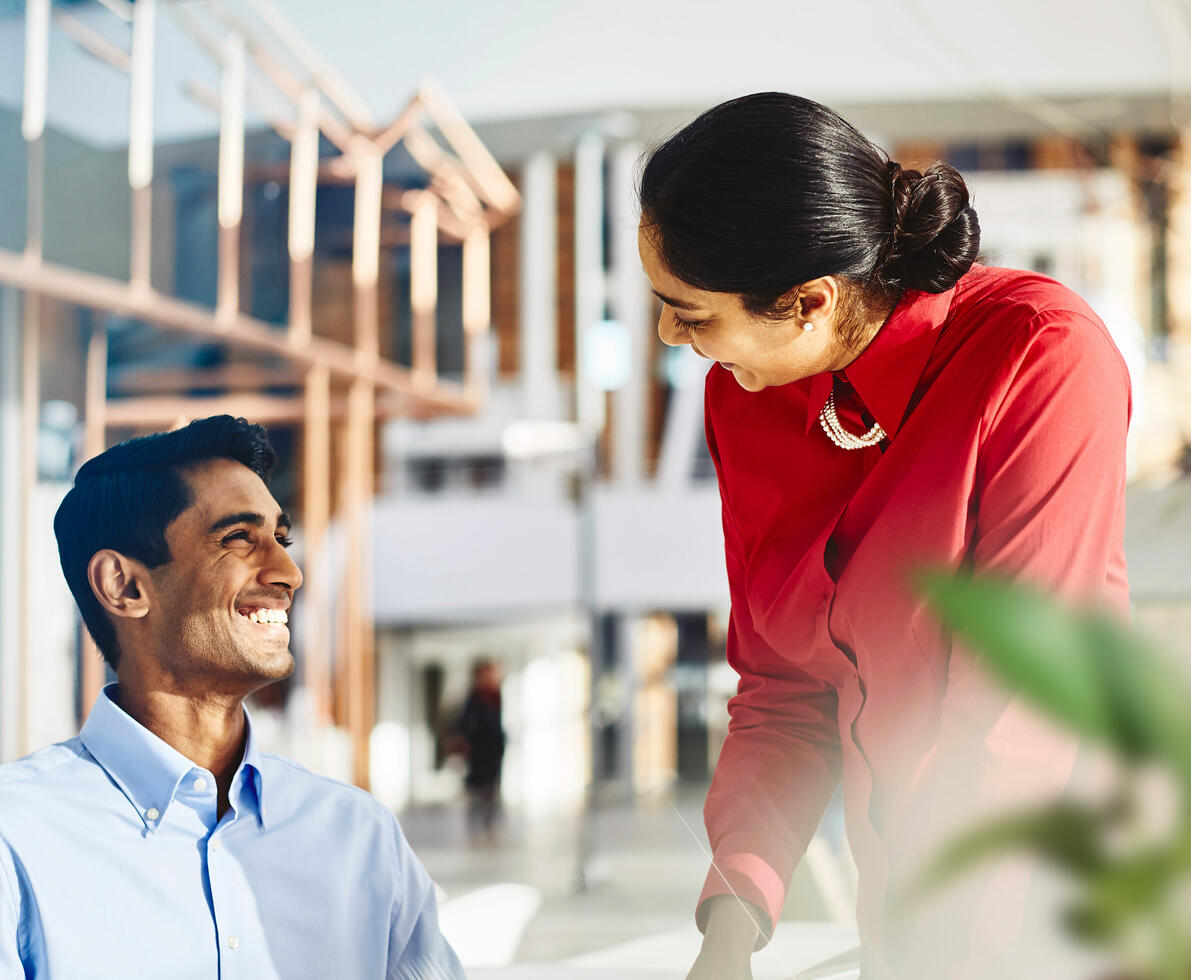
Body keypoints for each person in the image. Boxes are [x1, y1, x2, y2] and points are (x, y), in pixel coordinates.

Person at [637, 94, 1130, 979]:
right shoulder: (746, 398)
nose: (672, 338)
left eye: (691, 313)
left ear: (808, 302)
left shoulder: (1040, 356)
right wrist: (734, 919)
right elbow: (783, 685)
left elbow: (1016, 718)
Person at [0, 416, 464, 979]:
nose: (289, 571)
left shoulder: (361, 838)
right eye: (240, 537)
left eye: (281, 539)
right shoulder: (16, 837)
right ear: (125, 586)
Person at [454, 659, 506, 841]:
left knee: (492, 791)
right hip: (478, 751)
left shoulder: (496, 695)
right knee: (476, 791)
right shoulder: (475, 697)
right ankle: (474, 828)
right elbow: (465, 724)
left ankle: (490, 827)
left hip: (494, 751)